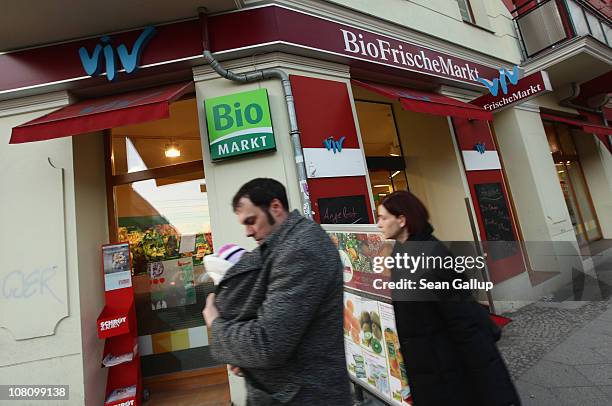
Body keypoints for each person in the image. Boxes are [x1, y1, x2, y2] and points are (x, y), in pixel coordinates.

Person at [202, 178, 352, 405]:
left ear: (275, 207)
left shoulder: (301, 249)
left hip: (307, 397)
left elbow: (267, 343)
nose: (247, 232)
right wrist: (244, 357)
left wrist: (217, 324)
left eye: (251, 221)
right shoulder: (285, 244)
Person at [376, 190, 521, 406]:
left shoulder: (433, 258)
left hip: (447, 371)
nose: (379, 224)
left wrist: (493, 389)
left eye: (383, 217)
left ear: (402, 220)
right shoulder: (402, 253)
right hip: (429, 367)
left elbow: (464, 323)